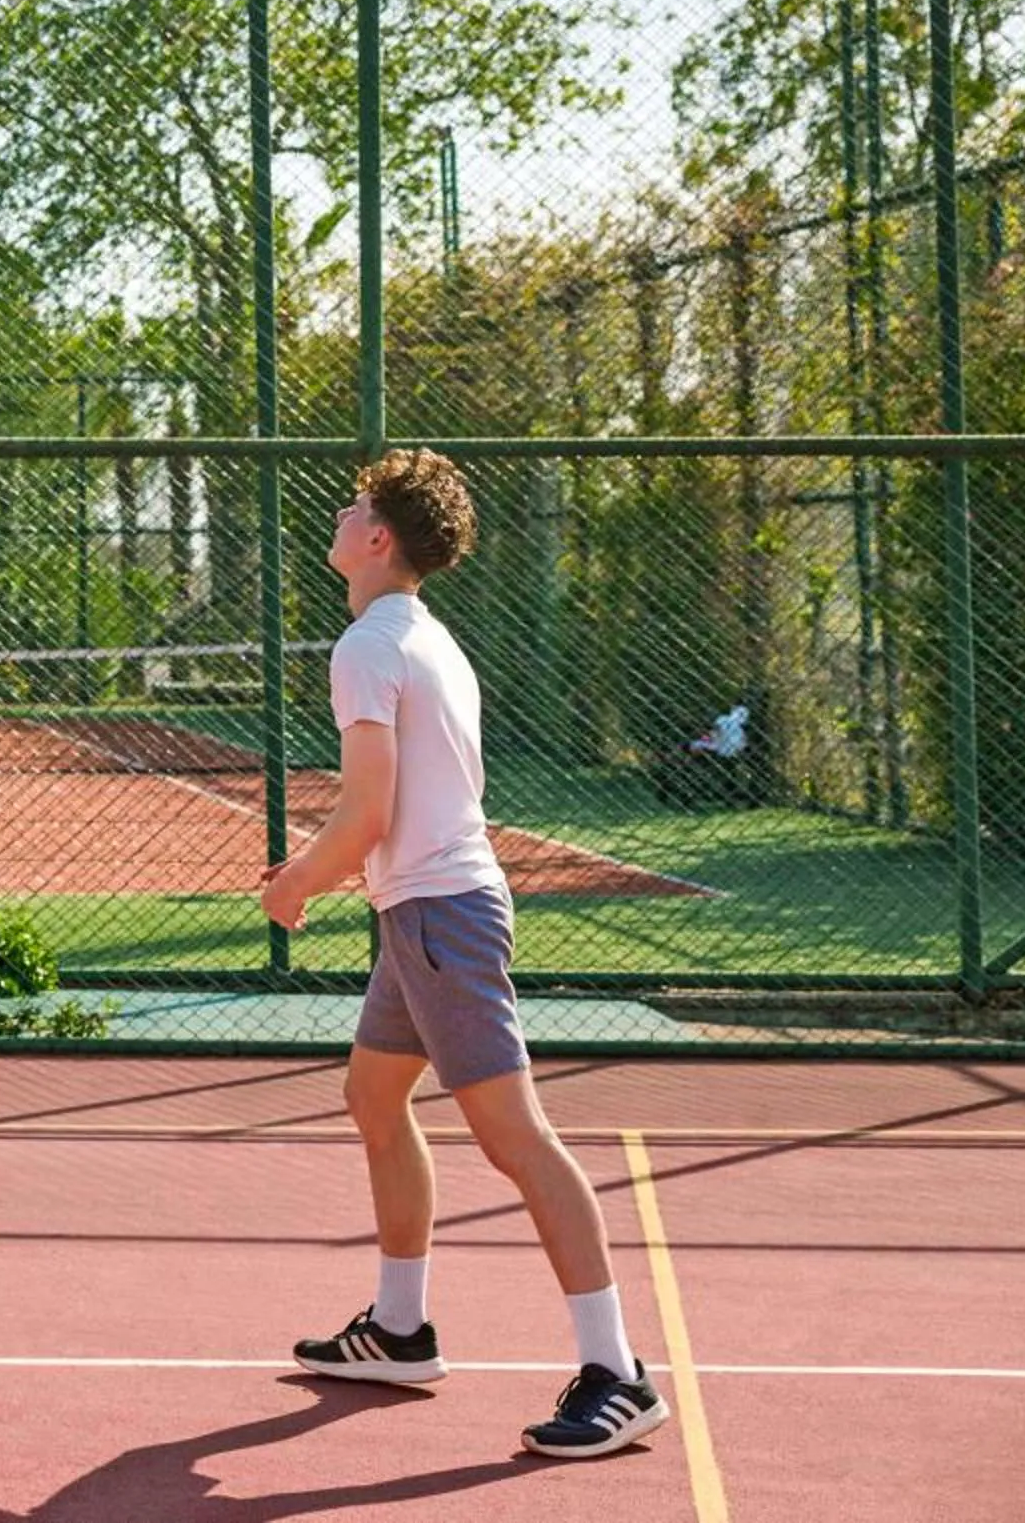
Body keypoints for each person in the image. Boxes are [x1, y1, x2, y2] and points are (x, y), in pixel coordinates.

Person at [261, 448, 667, 1460]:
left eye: (357, 504)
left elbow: (367, 813)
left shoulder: (369, 644)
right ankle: (400, 1329)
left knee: (517, 1141)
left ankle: (617, 1374)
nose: (345, 512)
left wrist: (295, 881)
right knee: (374, 1095)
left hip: (440, 916)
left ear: (379, 538)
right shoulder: (426, 636)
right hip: (427, 914)